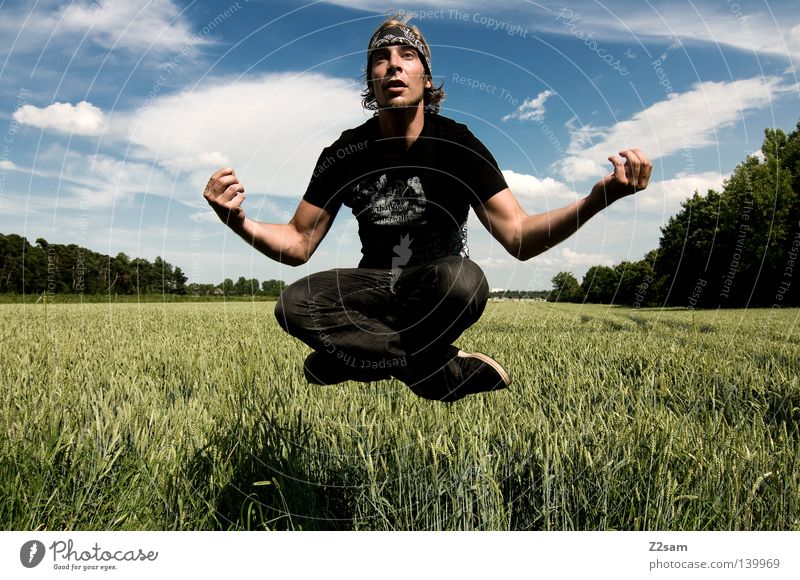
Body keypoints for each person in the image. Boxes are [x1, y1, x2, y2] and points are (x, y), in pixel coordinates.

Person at [203, 18, 652, 402]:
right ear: (370, 78)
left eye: (407, 55)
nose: (394, 63)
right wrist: (238, 222)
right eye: (381, 57)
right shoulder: (344, 152)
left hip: (434, 284)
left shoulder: (457, 144)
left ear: (425, 75)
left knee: (464, 281)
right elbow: (298, 243)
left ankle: (357, 360)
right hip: (377, 285)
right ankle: (426, 365)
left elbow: (517, 237)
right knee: (294, 304)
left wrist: (598, 200)